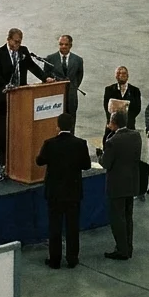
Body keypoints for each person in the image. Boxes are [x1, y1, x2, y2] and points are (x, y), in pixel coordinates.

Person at [0, 28, 51, 174]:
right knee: (3, 130)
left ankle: (18, 157)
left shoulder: (23, 51)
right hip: (2, 98)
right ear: (9, 39)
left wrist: (44, 78)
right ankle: (4, 160)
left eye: (20, 42)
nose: (18, 44)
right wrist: (7, 86)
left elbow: (32, 66)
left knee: (19, 129)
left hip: (21, 99)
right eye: (15, 41)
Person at [35, 112, 91, 269]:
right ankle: (72, 258)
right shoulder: (80, 143)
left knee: (55, 227)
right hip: (73, 192)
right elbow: (86, 165)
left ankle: (55, 260)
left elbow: (39, 161)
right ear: (72, 126)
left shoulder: (50, 143)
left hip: (55, 193)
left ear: (57, 126)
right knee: (73, 227)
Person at [101, 111, 141, 260]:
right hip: (131, 183)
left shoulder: (112, 141)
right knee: (128, 216)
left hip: (117, 185)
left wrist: (101, 152)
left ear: (113, 123)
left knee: (117, 218)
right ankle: (128, 247)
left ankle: (121, 250)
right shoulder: (136, 136)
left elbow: (105, 163)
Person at [45, 35, 85, 116]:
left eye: (66, 44)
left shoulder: (78, 60)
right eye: (61, 44)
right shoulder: (50, 58)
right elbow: (46, 75)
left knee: (71, 120)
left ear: (70, 45)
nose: (63, 46)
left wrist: (73, 87)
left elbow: (79, 76)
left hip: (71, 96)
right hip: (55, 95)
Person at [101, 66, 142, 145]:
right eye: (118, 73)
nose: (121, 75)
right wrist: (112, 121)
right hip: (113, 126)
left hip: (129, 126)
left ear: (127, 76)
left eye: (124, 73)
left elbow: (137, 108)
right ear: (115, 76)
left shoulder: (135, 91)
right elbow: (107, 108)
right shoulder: (109, 89)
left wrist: (126, 120)